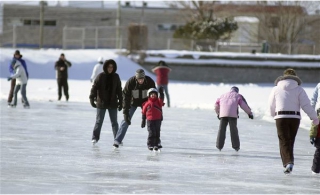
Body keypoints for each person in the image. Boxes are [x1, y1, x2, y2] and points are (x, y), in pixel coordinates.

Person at [268, 68, 319, 174]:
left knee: (284, 141)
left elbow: (271, 104)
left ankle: (288, 163)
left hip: (281, 117)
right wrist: (314, 117)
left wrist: (272, 114)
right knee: (290, 140)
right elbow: (306, 105)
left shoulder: (276, 89)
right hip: (294, 118)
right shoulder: (299, 89)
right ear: (295, 77)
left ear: (283, 76)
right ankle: (288, 162)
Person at [113, 69, 156, 148]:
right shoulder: (131, 82)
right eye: (139, 79)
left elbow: (154, 95)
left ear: (144, 77)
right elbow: (125, 97)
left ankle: (154, 142)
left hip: (145, 103)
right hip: (132, 103)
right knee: (125, 120)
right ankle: (117, 140)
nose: (140, 81)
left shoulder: (150, 82)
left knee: (152, 121)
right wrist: (125, 112)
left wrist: (149, 112)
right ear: (136, 78)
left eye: (142, 79)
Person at [89, 59, 123, 145]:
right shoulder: (100, 76)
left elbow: (119, 89)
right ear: (105, 67)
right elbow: (94, 88)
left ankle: (117, 139)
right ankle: (95, 137)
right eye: (109, 67)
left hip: (113, 103)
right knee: (99, 121)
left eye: (112, 67)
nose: (110, 68)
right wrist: (92, 98)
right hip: (102, 102)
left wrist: (121, 101)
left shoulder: (116, 76)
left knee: (114, 122)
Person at [215, 86, 253, 152]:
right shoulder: (238, 95)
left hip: (223, 114)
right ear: (237, 90)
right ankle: (236, 147)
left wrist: (218, 113)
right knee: (233, 131)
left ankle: (219, 146)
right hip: (232, 115)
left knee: (221, 130)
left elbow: (216, 104)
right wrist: (249, 113)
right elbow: (244, 105)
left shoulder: (223, 95)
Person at [141, 87, 165, 151]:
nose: (153, 95)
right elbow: (143, 112)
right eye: (151, 94)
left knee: (157, 132)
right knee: (151, 132)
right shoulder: (147, 103)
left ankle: (156, 144)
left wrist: (161, 93)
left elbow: (161, 100)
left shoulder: (158, 102)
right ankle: (150, 144)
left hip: (158, 120)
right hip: (150, 120)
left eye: (154, 94)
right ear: (149, 95)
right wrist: (143, 120)